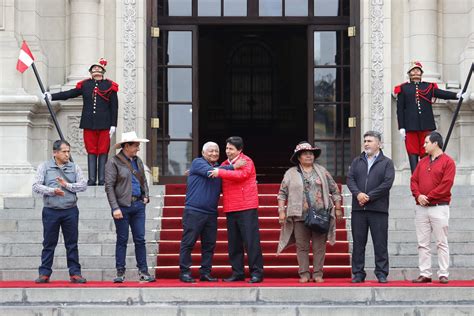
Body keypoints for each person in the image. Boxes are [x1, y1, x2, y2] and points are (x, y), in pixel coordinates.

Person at [45, 58, 119, 185]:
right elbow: (70, 93)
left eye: (98, 68)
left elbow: (114, 107)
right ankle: (91, 179)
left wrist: (113, 124)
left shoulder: (110, 86)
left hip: (105, 124)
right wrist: (52, 96)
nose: (96, 70)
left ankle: (101, 179)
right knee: (91, 150)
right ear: (90, 71)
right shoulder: (85, 85)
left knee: (102, 150)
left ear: (103, 70)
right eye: (94, 68)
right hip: (89, 123)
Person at [178, 142, 245, 283]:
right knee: (188, 243)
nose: (214, 153)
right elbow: (210, 172)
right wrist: (233, 166)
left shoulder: (219, 170)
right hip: (194, 211)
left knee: (209, 245)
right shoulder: (197, 163)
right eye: (211, 151)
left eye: (216, 151)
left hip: (211, 213)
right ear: (203, 153)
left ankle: (205, 273)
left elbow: (227, 183)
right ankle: (185, 272)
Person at [277, 141, 342, 283]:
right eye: (305, 154)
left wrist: (337, 208)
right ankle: (304, 274)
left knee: (319, 246)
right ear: (298, 157)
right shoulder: (290, 173)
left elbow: (335, 190)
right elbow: (282, 194)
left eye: (311, 153)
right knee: (302, 246)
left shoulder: (322, 171)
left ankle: (318, 273)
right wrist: (281, 211)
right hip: (299, 215)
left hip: (321, 214)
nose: (309, 156)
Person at [209, 136, 264, 283]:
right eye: (226, 148)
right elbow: (214, 174)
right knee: (234, 243)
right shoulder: (225, 164)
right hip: (231, 206)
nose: (228, 151)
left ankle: (256, 272)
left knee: (251, 241)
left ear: (240, 150)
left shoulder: (247, 161)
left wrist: (220, 172)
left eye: (231, 149)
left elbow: (241, 175)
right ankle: (237, 272)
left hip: (246, 206)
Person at [32, 140, 87, 283]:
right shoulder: (44, 167)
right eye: (64, 151)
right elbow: (36, 186)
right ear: (55, 153)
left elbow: (83, 185)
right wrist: (52, 191)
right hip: (51, 211)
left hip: (70, 210)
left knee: (72, 243)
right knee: (49, 243)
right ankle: (44, 273)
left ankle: (75, 273)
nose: (67, 154)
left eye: (68, 151)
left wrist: (66, 185)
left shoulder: (75, 167)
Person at [394, 61, 464, 173]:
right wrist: (401, 127)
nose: (416, 72)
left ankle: (427, 176)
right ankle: (415, 178)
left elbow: (441, 93)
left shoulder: (428, 86)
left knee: (427, 151)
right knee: (412, 152)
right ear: (409, 73)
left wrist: (456, 95)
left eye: (418, 70)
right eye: (413, 70)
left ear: (421, 73)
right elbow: (400, 110)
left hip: (426, 125)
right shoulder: (403, 88)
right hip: (410, 126)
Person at [104, 131, 155, 283]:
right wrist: (115, 208)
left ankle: (143, 271)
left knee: (140, 239)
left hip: (138, 205)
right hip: (122, 206)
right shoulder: (113, 162)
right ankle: (120, 272)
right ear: (126, 146)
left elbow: (143, 180)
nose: (138, 148)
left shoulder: (138, 161)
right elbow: (109, 187)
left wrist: (146, 195)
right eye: (136, 145)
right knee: (122, 239)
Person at [346, 131, 395, 283]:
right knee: (359, 243)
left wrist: (369, 197)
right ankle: (358, 273)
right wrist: (358, 194)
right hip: (359, 209)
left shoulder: (387, 162)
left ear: (379, 144)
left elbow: (387, 183)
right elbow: (350, 179)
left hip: (378, 209)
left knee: (380, 243)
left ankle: (381, 273)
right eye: (365, 141)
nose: (366, 143)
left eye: (370, 141)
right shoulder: (357, 161)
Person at [410, 131, 455, 284]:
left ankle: (443, 273)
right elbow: (413, 180)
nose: (423, 145)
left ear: (435, 143)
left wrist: (428, 197)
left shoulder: (448, 162)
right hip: (421, 208)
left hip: (439, 207)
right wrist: (418, 196)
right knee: (422, 243)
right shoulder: (422, 162)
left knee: (441, 242)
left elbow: (446, 185)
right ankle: (425, 273)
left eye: (426, 143)